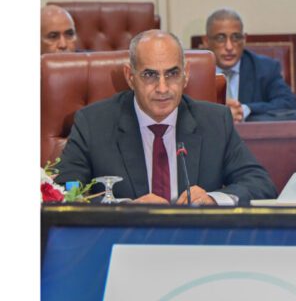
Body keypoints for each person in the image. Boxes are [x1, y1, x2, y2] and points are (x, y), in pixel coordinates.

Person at [56, 30, 277, 205]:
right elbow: (64, 192)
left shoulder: (215, 121)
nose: (162, 88)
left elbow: (260, 184)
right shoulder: (93, 124)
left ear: (186, 74)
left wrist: (213, 199)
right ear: (130, 77)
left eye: (172, 74)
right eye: (149, 75)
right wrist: (124, 208)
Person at [202, 8, 296, 122]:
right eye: (220, 38)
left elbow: (289, 103)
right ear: (206, 41)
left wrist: (245, 109)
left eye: (236, 37)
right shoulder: (193, 73)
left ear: (244, 39)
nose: (229, 47)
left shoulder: (266, 68)